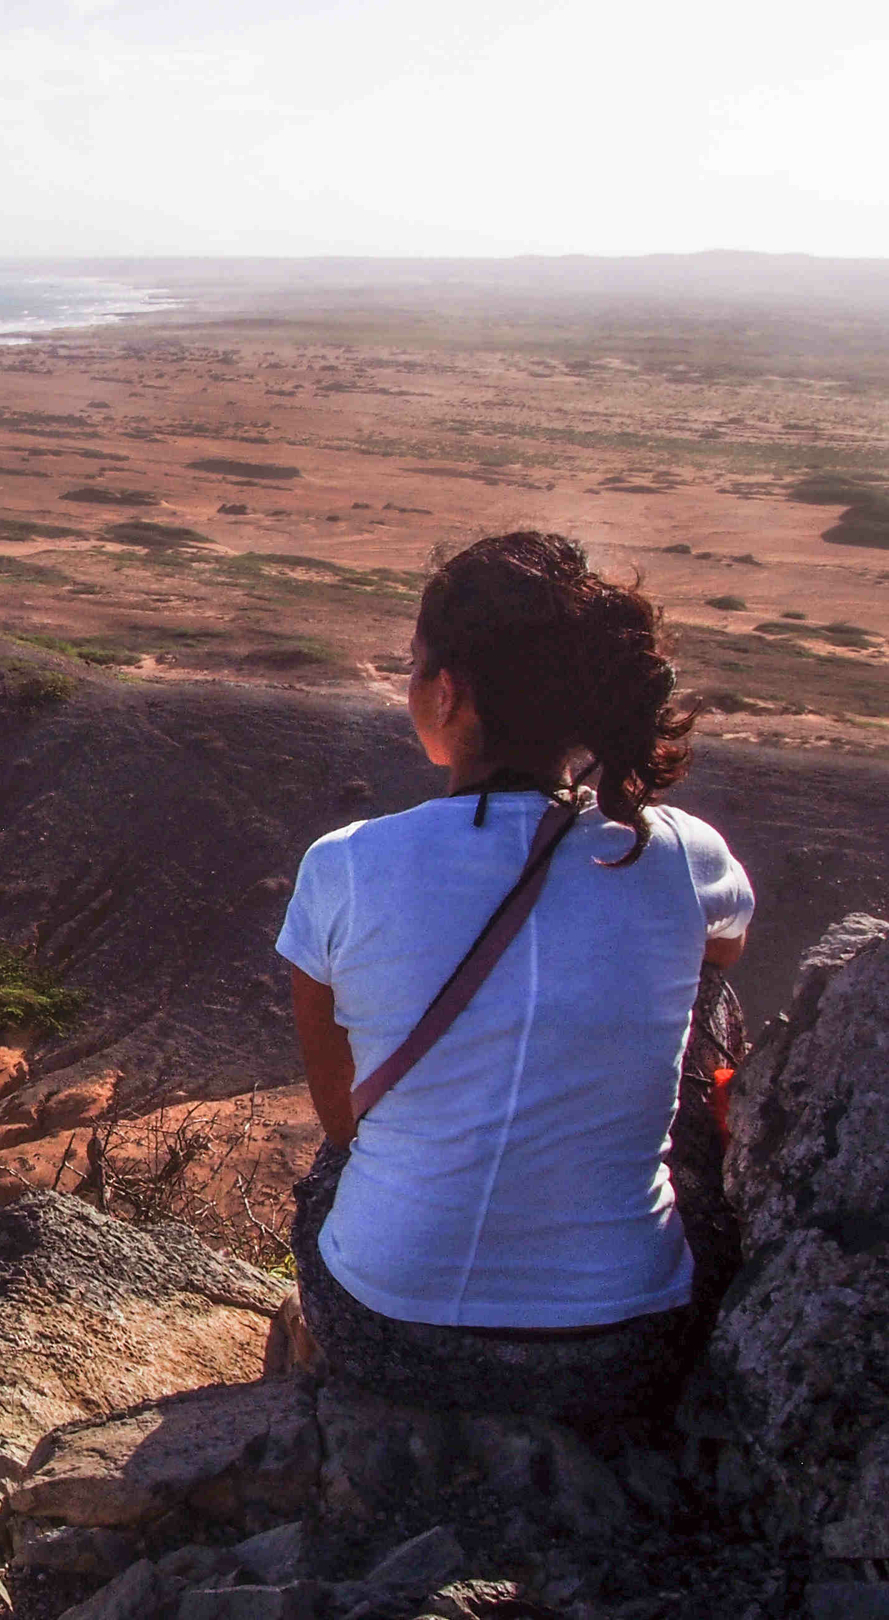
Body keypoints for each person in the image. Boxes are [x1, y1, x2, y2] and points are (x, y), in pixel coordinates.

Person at [274, 530, 754, 1424]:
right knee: (705, 991)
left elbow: (341, 1118)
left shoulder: (346, 864)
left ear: (447, 691)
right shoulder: (684, 852)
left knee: (338, 1166)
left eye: (415, 665)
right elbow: (723, 955)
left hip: (391, 1332)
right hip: (622, 1344)